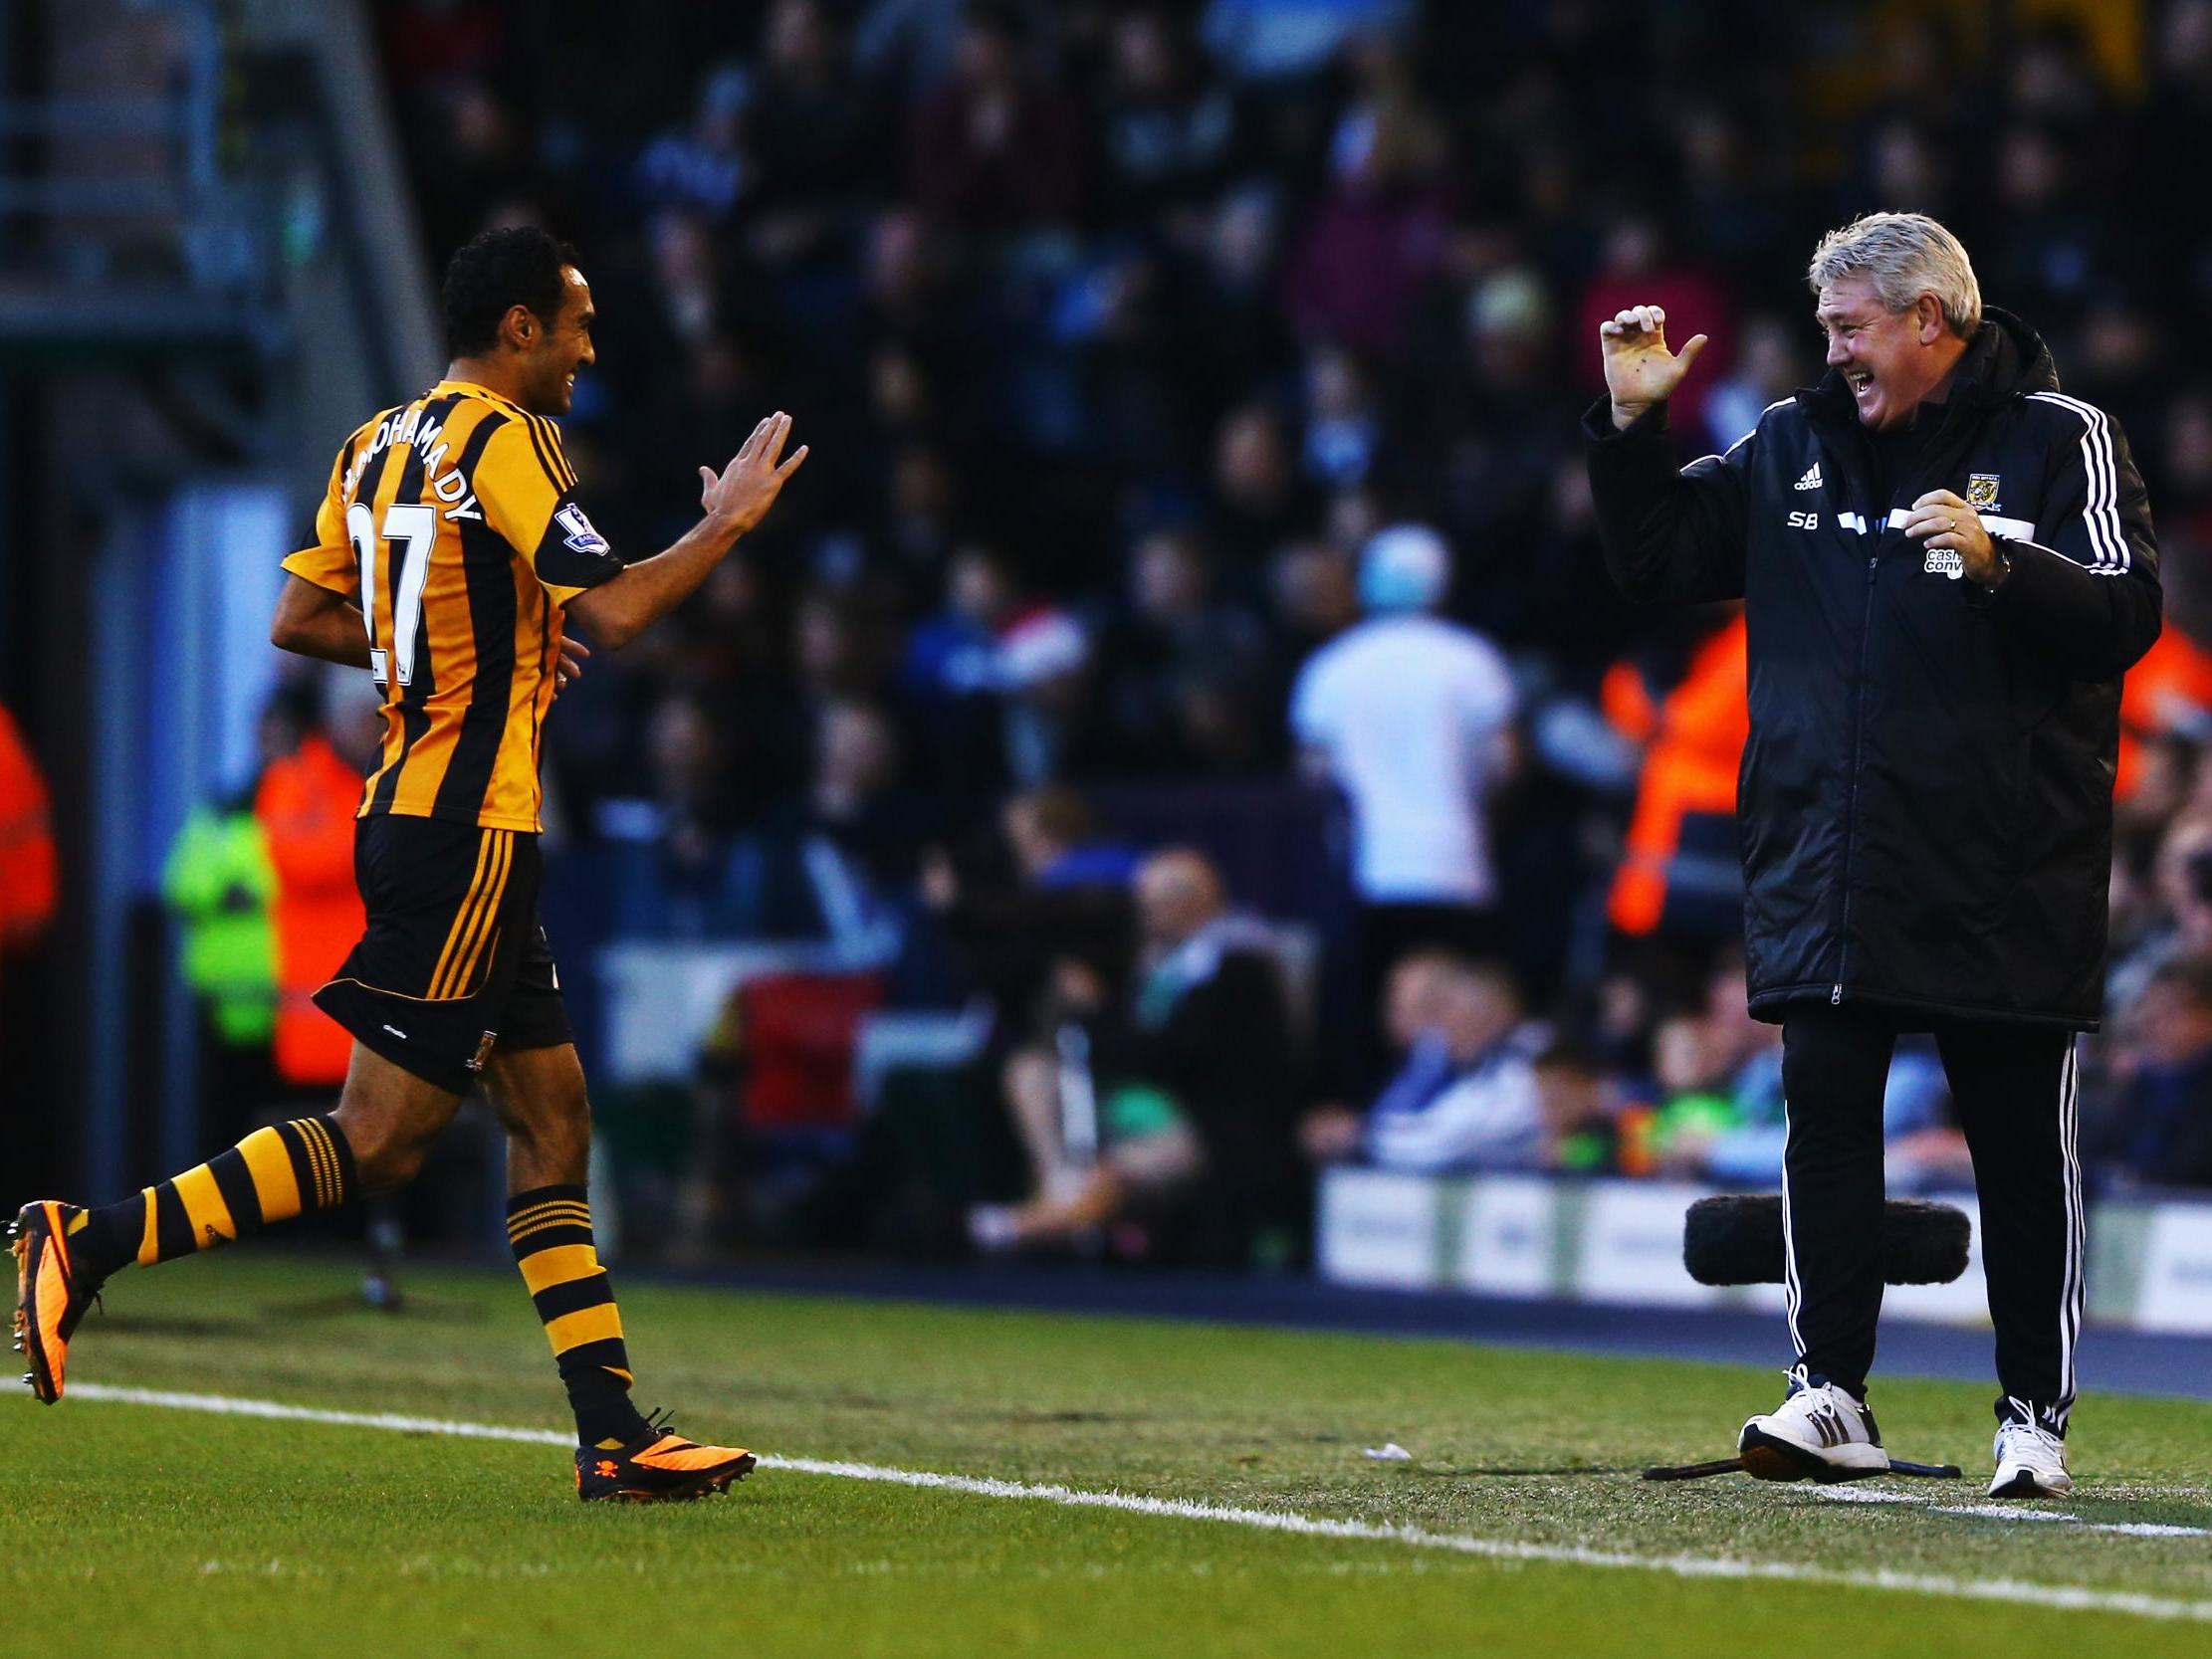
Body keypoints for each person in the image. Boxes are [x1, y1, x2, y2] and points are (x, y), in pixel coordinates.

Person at [12, 226, 808, 1504]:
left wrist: (464, 652)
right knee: (378, 1140)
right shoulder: (506, 439)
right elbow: (610, 607)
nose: (590, 348)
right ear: (516, 331)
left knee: (553, 1120)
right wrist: (721, 524)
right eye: (577, 322)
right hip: (466, 832)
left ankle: (613, 1434)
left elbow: (302, 617)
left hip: (421, 817)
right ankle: (90, 1238)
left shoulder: (374, 441)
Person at [1586, 211, 2160, 1499]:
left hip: (2003, 860)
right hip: (1827, 859)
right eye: (1826, 325)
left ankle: (2032, 1414)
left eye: (1850, 325)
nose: (1831, 349)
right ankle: (1827, 1389)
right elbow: (1655, 560)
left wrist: (1999, 559)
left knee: (2019, 1144)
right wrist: (1633, 431)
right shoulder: (1791, 442)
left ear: (1928, 321)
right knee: (1826, 1129)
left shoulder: (2058, 436)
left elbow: (2127, 611)